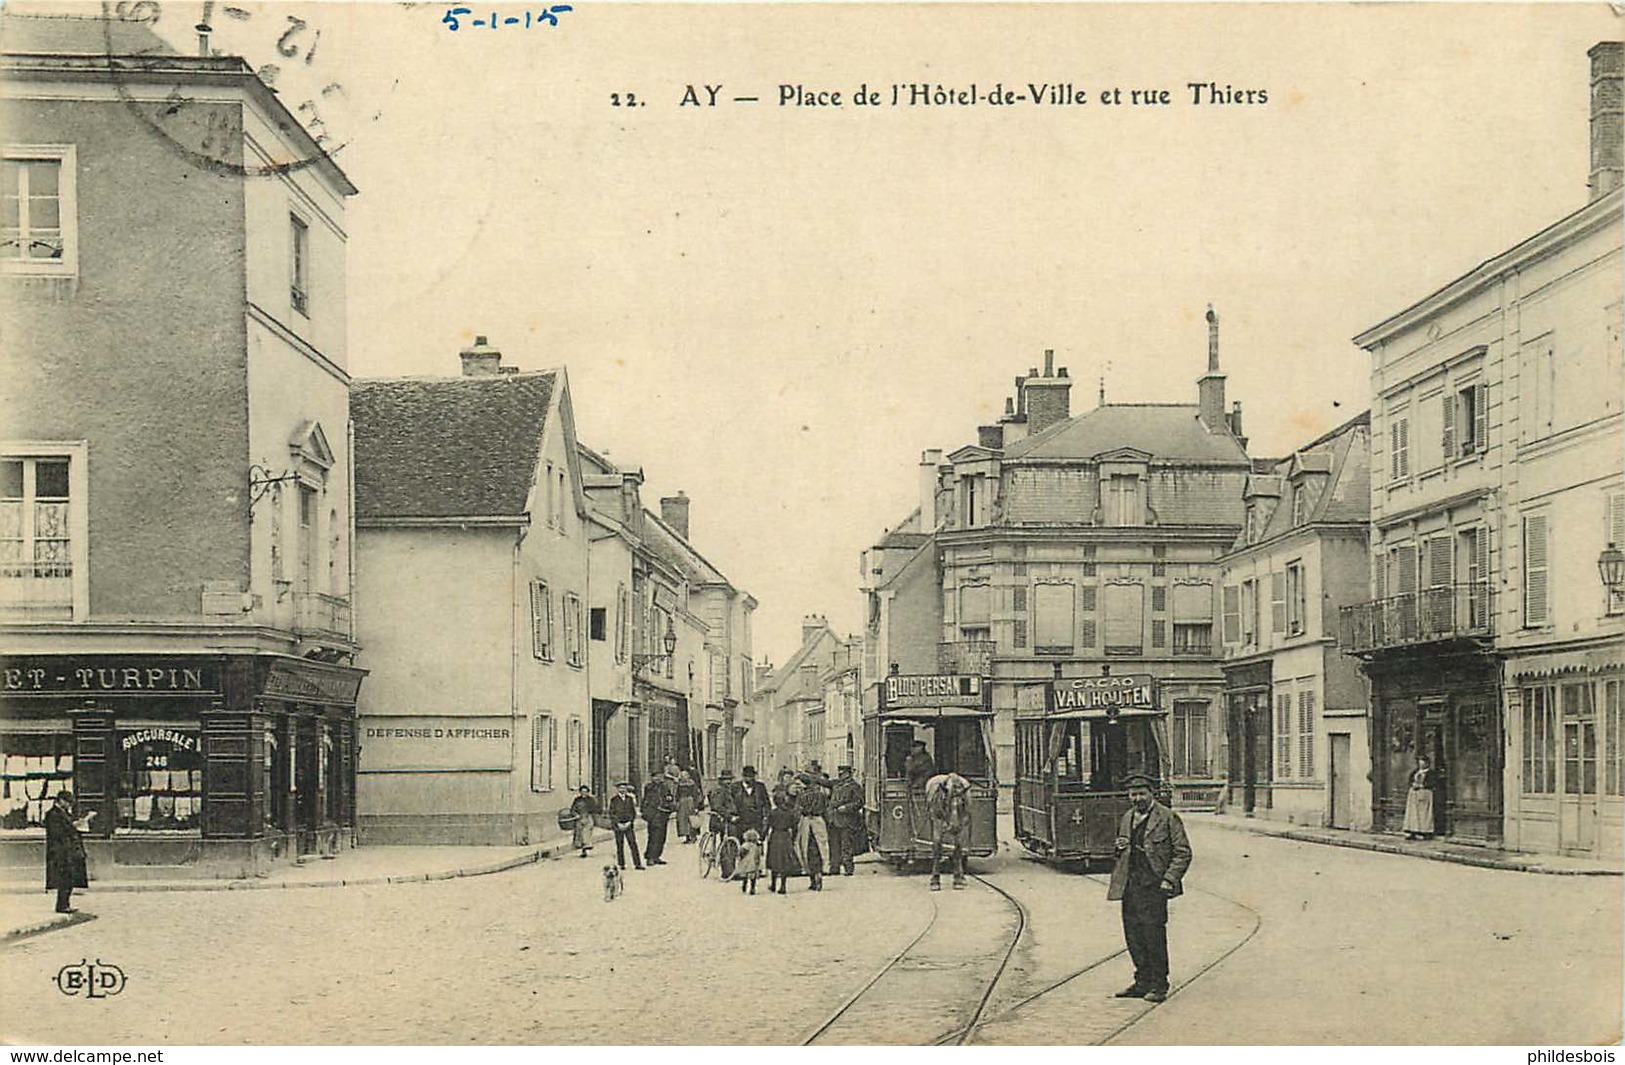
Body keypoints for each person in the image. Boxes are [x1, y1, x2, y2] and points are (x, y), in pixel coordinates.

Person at [1107, 773, 1193, 1004]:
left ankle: (1159, 984)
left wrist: (1169, 879)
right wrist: (1119, 848)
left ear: (1151, 794)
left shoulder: (1167, 818)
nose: (1137, 799)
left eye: (1141, 794)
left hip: (1155, 886)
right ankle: (1141, 981)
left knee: (1153, 935)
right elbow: (1122, 849)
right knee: (1133, 935)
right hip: (1130, 885)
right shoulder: (1127, 817)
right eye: (1133, 794)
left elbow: (1183, 853)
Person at [924, 771, 972, 891]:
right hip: (942, 812)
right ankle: (935, 875)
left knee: (958, 844)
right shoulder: (938, 797)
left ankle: (958, 874)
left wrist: (964, 815)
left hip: (957, 811)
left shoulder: (963, 789)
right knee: (937, 841)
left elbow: (966, 814)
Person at [44, 791, 89, 914]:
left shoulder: (63, 813)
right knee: (64, 878)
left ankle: (65, 904)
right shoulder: (52, 814)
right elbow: (57, 833)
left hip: (68, 851)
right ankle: (62, 905)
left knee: (69, 878)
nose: (69, 805)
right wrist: (74, 827)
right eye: (68, 802)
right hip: (60, 852)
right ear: (61, 801)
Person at [794, 772, 831, 889]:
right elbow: (826, 809)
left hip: (806, 822)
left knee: (805, 848)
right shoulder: (820, 794)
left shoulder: (801, 796)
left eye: (799, 783)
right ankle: (820, 872)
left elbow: (797, 811)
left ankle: (812, 878)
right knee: (821, 846)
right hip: (819, 822)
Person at [828, 764, 866, 876]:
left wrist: (846, 808)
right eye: (840, 773)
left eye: (843, 774)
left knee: (846, 845)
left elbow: (859, 802)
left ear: (848, 774)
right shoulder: (837, 784)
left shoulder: (854, 786)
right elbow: (823, 783)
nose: (841, 775)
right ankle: (834, 867)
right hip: (834, 819)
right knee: (834, 845)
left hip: (847, 820)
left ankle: (848, 868)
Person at [764, 791, 801, 895]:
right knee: (784, 862)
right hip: (785, 837)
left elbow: (767, 826)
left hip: (775, 836)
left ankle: (773, 884)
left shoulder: (773, 813)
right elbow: (794, 827)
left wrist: (762, 837)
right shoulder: (790, 813)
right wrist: (793, 838)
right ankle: (783, 886)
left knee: (774, 861)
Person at [607, 782, 644, 871]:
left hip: (628, 825)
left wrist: (629, 822)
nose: (622, 790)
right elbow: (612, 813)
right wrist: (618, 823)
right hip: (618, 825)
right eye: (620, 788)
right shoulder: (614, 800)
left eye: (624, 788)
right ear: (617, 789)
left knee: (633, 844)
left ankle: (637, 864)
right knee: (620, 845)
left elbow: (633, 812)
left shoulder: (629, 799)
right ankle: (621, 864)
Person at [641, 774, 675, 865]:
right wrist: (645, 812)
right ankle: (650, 857)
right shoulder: (649, 787)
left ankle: (657, 856)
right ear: (652, 778)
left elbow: (670, 797)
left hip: (663, 814)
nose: (657, 778)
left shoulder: (664, 786)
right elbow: (645, 800)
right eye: (655, 777)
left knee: (662, 836)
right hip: (653, 814)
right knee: (653, 836)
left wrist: (669, 799)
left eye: (659, 777)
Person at [731, 765, 770, 840]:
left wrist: (766, 817)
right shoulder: (735, 787)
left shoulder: (760, 787)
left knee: (756, 845)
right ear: (743, 777)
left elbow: (766, 803)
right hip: (740, 822)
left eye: (752, 777)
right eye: (747, 776)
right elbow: (730, 803)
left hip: (756, 822)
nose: (750, 779)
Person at [1402, 753, 1436, 840]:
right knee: (1413, 813)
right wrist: (1413, 785)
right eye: (1420, 762)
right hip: (1414, 794)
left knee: (1424, 813)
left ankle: (1424, 831)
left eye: (1423, 762)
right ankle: (1412, 830)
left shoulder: (1431, 773)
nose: (1421, 764)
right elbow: (1410, 780)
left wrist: (1422, 786)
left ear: (1427, 763)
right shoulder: (1415, 772)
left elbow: (1433, 783)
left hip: (1425, 793)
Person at [568, 785, 599, 858]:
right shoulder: (577, 800)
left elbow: (595, 809)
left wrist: (591, 813)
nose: (583, 793)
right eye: (582, 792)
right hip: (579, 818)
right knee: (579, 834)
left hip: (588, 817)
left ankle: (586, 846)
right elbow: (572, 809)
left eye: (585, 792)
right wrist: (575, 814)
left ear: (588, 792)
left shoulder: (591, 800)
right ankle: (583, 850)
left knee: (586, 833)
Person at [674, 769, 701, 844]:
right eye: (682, 776)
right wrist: (676, 803)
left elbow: (696, 795)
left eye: (685, 775)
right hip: (682, 804)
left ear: (688, 776)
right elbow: (677, 794)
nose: (683, 777)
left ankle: (693, 836)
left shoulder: (692, 784)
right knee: (683, 821)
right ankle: (687, 837)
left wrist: (696, 806)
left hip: (690, 803)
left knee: (692, 820)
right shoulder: (679, 784)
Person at [707, 769, 736, 836]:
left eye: (730, 779)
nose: (729, 782)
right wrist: (730, 817)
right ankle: (731, 845)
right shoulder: (719, 791)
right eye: (726, 780)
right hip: (719, 820)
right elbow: (717, 807)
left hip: (726, 819)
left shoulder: (728, 790)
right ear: (721, 780)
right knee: (735, 829)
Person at [736, 828, 763, 895]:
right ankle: (752, 888)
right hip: (753, 864)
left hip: (746, 864)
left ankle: (744, 886)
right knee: (753, 878)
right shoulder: (756, 847)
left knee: (745, 876)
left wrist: (740, 858)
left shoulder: (745, 845)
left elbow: (741, 853)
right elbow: (758, 855)